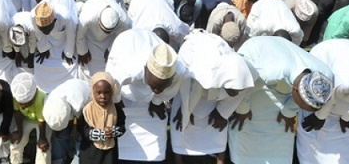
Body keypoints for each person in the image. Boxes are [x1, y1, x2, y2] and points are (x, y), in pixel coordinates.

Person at [227, 36, 334, 164]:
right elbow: (244, 85)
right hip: (256, 58)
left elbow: (308, 97)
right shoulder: (269, 73)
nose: (301, 110)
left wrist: (288, 111)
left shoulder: (325, 77)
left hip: (281, 70)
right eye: (302, 106)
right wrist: (243, 109)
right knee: (247, 122)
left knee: (281, 128)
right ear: (294, 90)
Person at [170, 31, 256, 164]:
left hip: (213, 67)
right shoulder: (204, 71)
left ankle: (220, 159)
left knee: (218, 122)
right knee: (182, 121)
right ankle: (178, 157)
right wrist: (186, 111)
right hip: (190, 67)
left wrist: (223, 112)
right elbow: (189, 89)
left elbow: (243, 90)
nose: (235, 94)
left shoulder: (244, 70)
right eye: (232, 91)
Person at [106, 29, 188, 163]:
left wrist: (156, 101)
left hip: (147, 98)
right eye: (155, 86)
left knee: (155, 146)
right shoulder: (129, 69)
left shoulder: (178, 70)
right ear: (145, 70)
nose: (158, 90)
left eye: (162, 86)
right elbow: (112, 83)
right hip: (126, 91)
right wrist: (117, 100)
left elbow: (170, 90)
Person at [296, 39, 349, 164]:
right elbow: (333, 93)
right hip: (325, 57)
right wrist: (319, 116)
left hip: (346, 61)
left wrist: (347, 117)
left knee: (345, 136)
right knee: (312, 110)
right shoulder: (347, 82)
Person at [31, 0, 78, 93]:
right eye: (42, 28)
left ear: (55, 21)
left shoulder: (67, 16)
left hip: (67, 3)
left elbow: (71, 35)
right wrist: (43, 48)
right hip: (51, 2)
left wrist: (68, 52)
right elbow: (38, 32)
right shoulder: (33, 16)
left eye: (46, 28)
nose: (44, 31)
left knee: (69, 63)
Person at [78, 71, 126, 164]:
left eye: (106, 92)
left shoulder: (116, 109)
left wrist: (113, 131)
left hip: (109, 155)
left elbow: (122, 127)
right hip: (90, 155)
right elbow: (82, 130)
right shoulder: (87, 110)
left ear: (112, 92)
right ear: (93, 91)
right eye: (98, 93)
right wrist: (99, 134)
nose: (102, 96)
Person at [76, 0, 131, 75]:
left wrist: (110, 49)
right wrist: (82, 52)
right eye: (104, 30)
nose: (105, 33)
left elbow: (122, 38)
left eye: (108, 31)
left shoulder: (124, 22)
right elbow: (80, 36)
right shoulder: (87, 17)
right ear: (98, 19)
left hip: (110, 39)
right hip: (89, 35)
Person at [43, 78, 92, 164]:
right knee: (60, 136)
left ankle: (78, 159)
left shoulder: (79, 103)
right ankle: (58, 161)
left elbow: (81, 121)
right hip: (65, 104)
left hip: (86, 103)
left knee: (81, 136)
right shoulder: (49, 102)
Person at [10, 72, 51, 164]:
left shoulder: (41, 97)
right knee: (16, 144)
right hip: (27, 119)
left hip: (42, 123)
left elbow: (41, 120)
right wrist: (19, 132)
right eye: (21, 103)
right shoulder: (16, 95)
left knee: (43, 148)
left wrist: (42, 138)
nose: (23, 105)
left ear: (34, 94)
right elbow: (17, 112)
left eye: (27, 103)